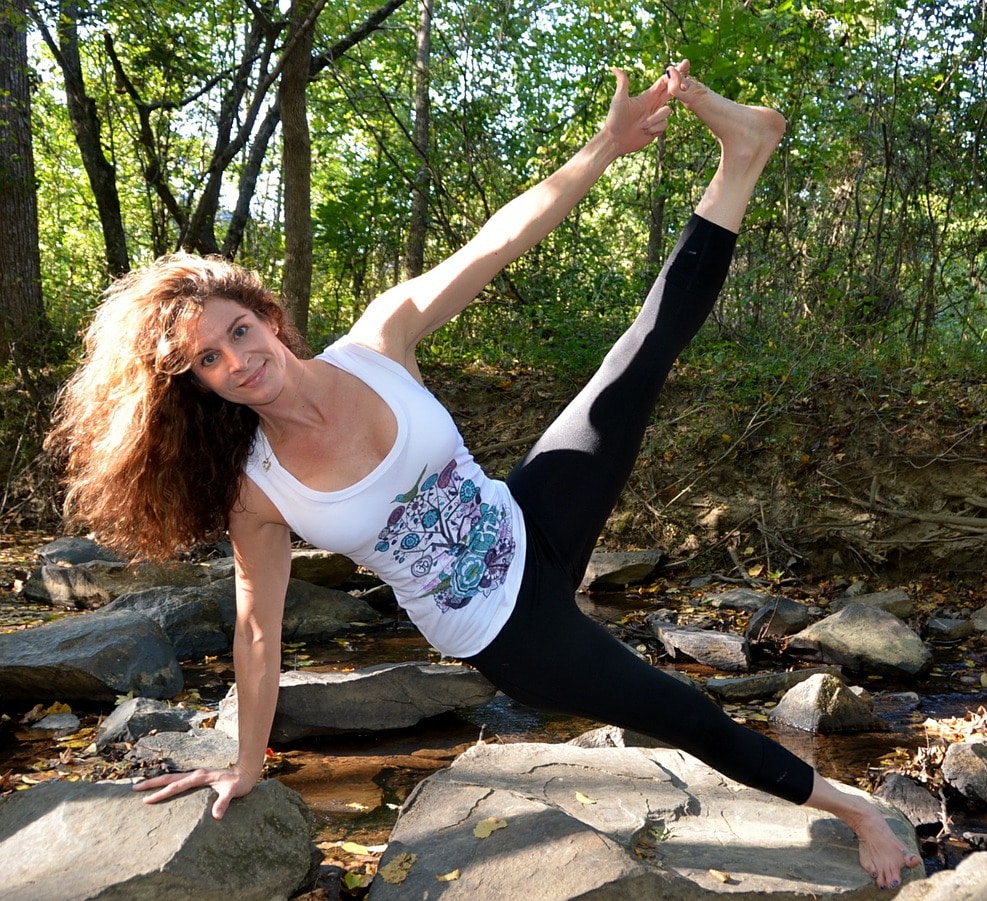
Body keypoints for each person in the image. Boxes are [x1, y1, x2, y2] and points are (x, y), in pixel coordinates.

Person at [46, 61, 921, 889]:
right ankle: (853, 808)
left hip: (528, 515)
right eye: (207, 358)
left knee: (637, 359)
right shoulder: (259, 489)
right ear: (196, 384)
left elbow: (501, 237)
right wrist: (243, 762)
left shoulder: (379, 340)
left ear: (268, 317)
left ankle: (744, 152)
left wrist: (607, 147)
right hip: (505, 632)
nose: (236, 359)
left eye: (239, 330)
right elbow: (258, 632)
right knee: (680, 711)